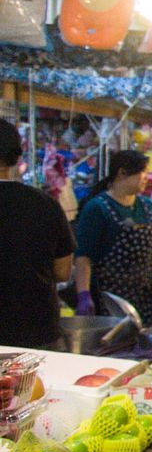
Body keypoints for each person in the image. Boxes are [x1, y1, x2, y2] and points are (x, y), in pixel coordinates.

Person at [0, 119, 75, 349]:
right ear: (16, 156)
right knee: (36, 387)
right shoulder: (45, 204)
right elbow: (62, 271)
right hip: (36, 332)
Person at [74, 150, 152, 325]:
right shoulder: (97, 208)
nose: (146, 178)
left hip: (146, 299)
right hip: (110, 301)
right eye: (142, 172)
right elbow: (84, 256)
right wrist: (84, 294)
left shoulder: (148, 207)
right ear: (122, 173)